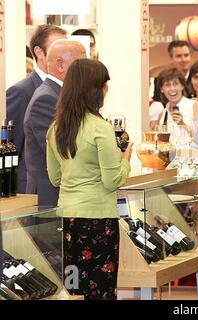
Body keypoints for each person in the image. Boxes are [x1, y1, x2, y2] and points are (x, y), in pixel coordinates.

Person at [46, 58, 132, 300]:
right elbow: (112, 180)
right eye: (104, 85)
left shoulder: (56, 129)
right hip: (98, 219)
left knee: (73, 287)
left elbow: (55, 177)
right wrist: (126, 159)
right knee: (101, 290)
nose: (107, 90)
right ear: (95, 89)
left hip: (67, 218)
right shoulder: (100, 127)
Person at [23, 40, 86, 207]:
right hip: (50, 200)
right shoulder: (47, 99)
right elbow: (64, 152)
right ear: (60, 65)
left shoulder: (59, 95)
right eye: (81, 63)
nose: (86, 70)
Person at [6, 24, 67, 193]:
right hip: (32, 192)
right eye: (57, 47)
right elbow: (11, 147)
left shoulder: (65, 89)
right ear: (39, 52)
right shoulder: (20, 91)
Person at [157, 68, 198, 148]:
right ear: (162, 89)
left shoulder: (195, 106)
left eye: (175, 84)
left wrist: (182, 124)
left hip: (192, 157)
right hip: (168, 158)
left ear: (182, 86)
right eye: (167, 85)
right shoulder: (162, 114)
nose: (172, 89)